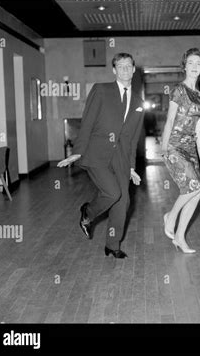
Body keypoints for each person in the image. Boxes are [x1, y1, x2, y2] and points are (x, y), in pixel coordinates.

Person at [57, 53, 144, 259]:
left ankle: (112, 245)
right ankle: (88, 212)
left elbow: (132, 139)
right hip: (97, 153)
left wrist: (131, 167)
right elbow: (87, 122)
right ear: (114, 70)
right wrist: (77, 152)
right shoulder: (101, 90)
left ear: (133, 69)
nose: (124, 69)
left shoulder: (139, 101)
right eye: (119, 66)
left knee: (122, 202)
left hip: (121, 158)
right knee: (113, 193)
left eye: (128, 66)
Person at [161, 48, 200, 253]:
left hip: (191, 148)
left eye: (198, 63)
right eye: (191, 63)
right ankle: (171, 217)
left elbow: (198, 129)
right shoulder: (178, 90)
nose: (194, 67)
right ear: (184, 66)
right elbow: (169, 122)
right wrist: (164, 149)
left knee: (197, 193)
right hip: (174, 145)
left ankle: (179, 237)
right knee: (193, 186)